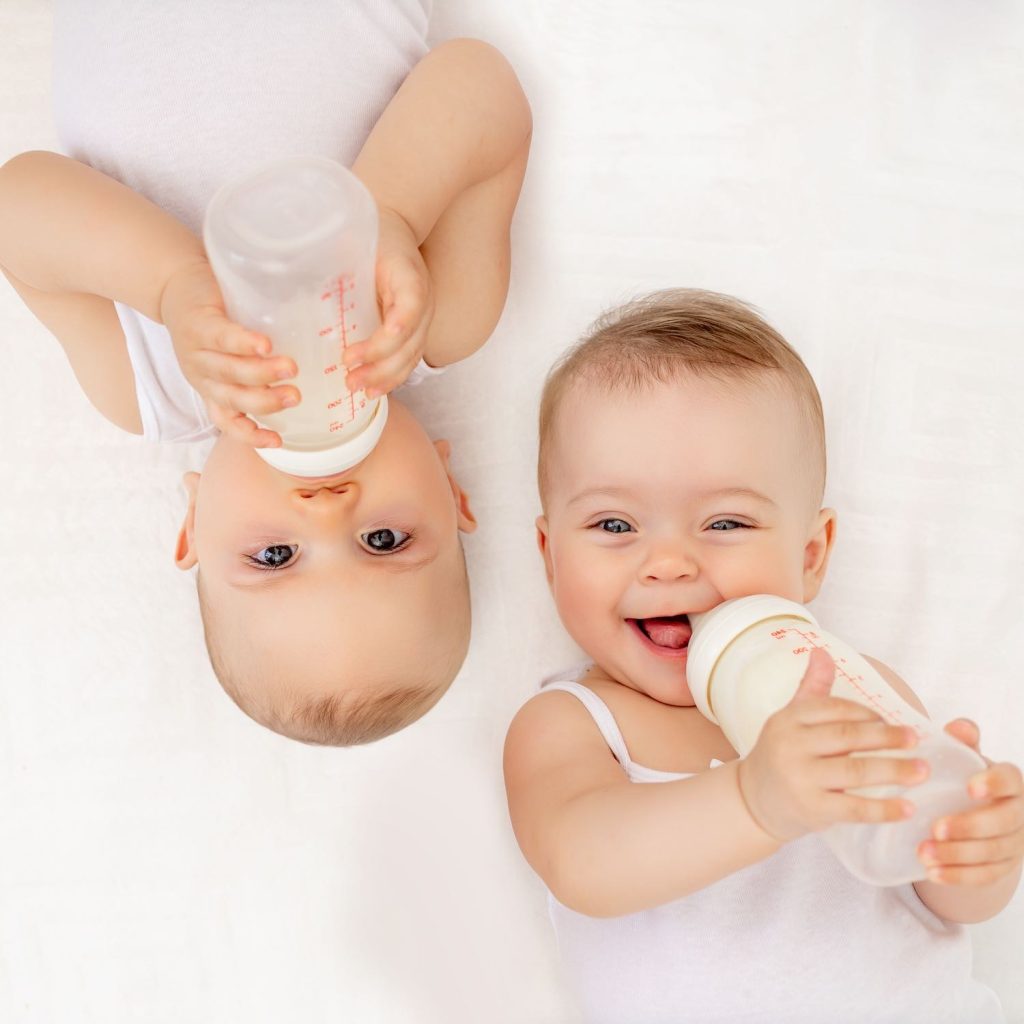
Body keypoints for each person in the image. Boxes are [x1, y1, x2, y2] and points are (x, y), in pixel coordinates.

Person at [0, 3, 531, 745]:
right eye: (384, 541)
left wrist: (171, 287)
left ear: (192, 529)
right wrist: (392, 220)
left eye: (275, 557)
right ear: (452, 493)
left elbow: (17, 204)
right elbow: (483, 86)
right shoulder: (440, 317)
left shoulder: (145, 383)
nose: (327, 507)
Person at [503, 289, 1021, 1022]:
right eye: (615, 523)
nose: (670, 563)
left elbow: (944, 895)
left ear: (811, 556)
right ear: (551, 555)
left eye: (725, 521)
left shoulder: (857, 688)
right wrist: (755, 800)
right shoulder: (572, 723)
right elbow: (581, 864)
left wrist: (976, 849)